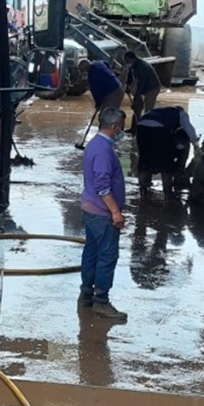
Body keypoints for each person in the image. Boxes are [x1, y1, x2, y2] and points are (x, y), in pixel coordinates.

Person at [79, 107, 129, 320]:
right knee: (107, 256)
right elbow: (103, 187)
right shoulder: (103, 151)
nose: (122, 132)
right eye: (122, 128)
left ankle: (86, 295)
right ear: (114, 127)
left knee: (91, 252)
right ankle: (101, 301)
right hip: (102, 213)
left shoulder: (94, 144)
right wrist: (115, 212)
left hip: (90, 209)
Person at [134, 106, 200, 196]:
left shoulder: (157, 111)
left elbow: (139, 145)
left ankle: (143, 188)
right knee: (166, 162)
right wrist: (196, 146)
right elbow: (189, 130)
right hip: (160, 129)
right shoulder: (181, 114)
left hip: (142, 128)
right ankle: (168, 192)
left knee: (144, 160)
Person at [124, 51, 161, 130]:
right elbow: (130, 75)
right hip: (144, 87)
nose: (127, 63)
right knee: (137, 107)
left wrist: (137, 97)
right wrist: (127, 85)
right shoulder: (133, 64)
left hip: (152, 88)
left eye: (127, 61)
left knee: (148, 110)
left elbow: (141, 83)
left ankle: (147, 129)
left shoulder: (142, 66)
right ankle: (135, 128)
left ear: (132, 58)